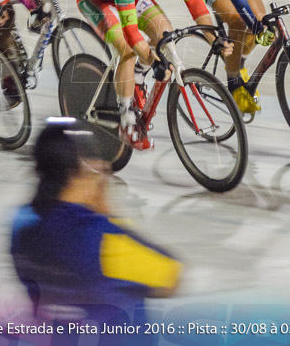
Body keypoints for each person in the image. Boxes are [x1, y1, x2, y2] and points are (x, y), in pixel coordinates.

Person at [11, 117, 181, 337]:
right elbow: (171, 274)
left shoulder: (21, 226)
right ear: (81, 170)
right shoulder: (104, 239)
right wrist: (105, 210)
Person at [76, 0, 231, 147]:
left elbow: (195, 3)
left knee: (165, 33)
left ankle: (137, 78)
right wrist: (151, 59)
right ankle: (126, 117)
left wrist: (214, 38)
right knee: (127, 50)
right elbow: (130, 32)